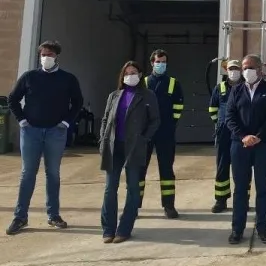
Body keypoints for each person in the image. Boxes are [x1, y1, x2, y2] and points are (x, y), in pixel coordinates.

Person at [6, 40, 84, 235]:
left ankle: (53, 215)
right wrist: (22, 120)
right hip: (30, 131)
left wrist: (66, 122)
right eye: (43, 54)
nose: (46, 58)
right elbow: (12, 99)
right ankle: (20, 217)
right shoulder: (29, 77)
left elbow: (77, 102)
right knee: (27, 174)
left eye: (50, 54)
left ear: (57, 56)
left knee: (53, 174)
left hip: (55, 132)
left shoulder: (68, 79)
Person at [99, 61, 160, 243]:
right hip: (114, 146)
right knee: (110, 188)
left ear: (140, 75)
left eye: (133, 72)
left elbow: (155, 120)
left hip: (134, 147)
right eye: (127, 73)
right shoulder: (114, 96)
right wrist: (102, 139)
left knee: (133, 188)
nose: (130, 76)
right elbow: (105, 119)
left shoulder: (148, 96)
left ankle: (124, 229)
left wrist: (144, 138)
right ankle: (108, 229)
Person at [225, 54, 266, 245]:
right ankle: (237, 229)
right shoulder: (236, 90)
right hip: (240, 145)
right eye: (244, 68)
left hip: (264, 145)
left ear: (260, 69)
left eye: (250, 67)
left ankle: (263, 228)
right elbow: (230, 117)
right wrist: (244, 136)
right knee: (240, 189)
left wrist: (258, 136)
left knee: (263, 189)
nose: (246, 71)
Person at [140, 49, 184, 219]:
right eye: (158, 62)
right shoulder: (143, 82)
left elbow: (178, 106)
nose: (161, 64)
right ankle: (134, 205)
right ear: (152, 63)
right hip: (145, 133)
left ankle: (169, 206)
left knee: (166, 169)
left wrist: (170, 124)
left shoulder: (173, 83)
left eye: (163, 62)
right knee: (139, 169)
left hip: (165, 132)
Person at [208, 60, 247, 213]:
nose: (233, 71)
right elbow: (212, 109)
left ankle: (243, 200)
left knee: (242, 167)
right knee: (222, 166)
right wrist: (219, 123)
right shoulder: (220, 88)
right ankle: (221, 200)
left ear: (241, 70)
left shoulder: (246, 87)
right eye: (231, 68)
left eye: (236, 68)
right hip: (224, 132)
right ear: (226, 70)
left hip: (240, 132)